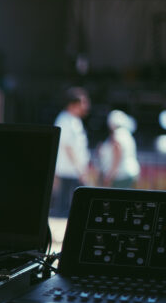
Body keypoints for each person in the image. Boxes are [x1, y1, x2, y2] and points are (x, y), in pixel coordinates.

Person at [52, 86, 91, 217]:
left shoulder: (74, 120)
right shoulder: (64, 120)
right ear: (73, 104)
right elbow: (68, 147)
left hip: (74, 170)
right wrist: (79, 168)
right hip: (68, 169)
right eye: (83, 103)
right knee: (65, 206)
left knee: (70, 204)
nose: (86, 106)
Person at [97, 109, 140, 189]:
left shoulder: (117, 135)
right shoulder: (127, 134)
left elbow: (118, 156)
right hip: (129, 173)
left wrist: (110, 176)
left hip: (120, 175)